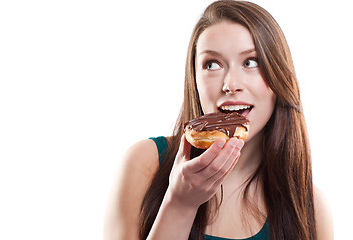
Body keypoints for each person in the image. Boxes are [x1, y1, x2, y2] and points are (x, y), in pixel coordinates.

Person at [104, 1, 334, 239]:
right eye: (212, 64)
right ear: (194, 78)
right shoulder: (145, 163)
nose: (230, 84)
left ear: (279, 75)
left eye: (250, 62)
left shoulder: (311, 208)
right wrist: (180, 204)